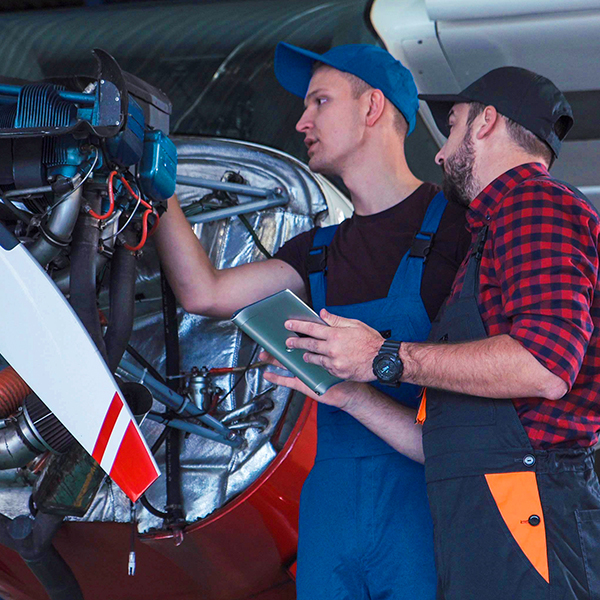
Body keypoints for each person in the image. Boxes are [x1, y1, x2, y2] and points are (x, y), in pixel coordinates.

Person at [154, 42, 470, 600]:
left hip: (427, 497)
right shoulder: (317, 252)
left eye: (319, 102)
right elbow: (203, 293)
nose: (301, 121)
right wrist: (159, 188)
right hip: (330, 508)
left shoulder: (463, 231)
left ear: (372, 108)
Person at [272, 66, 600, 600]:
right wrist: (348, 393)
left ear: (487, 122)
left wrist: (384, 355)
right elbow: (440, 443)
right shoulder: (487, 236)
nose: (441, 154)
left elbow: (544, 366)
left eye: (452, 127)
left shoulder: (536, 205)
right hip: (485, 514)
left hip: (527, 505)